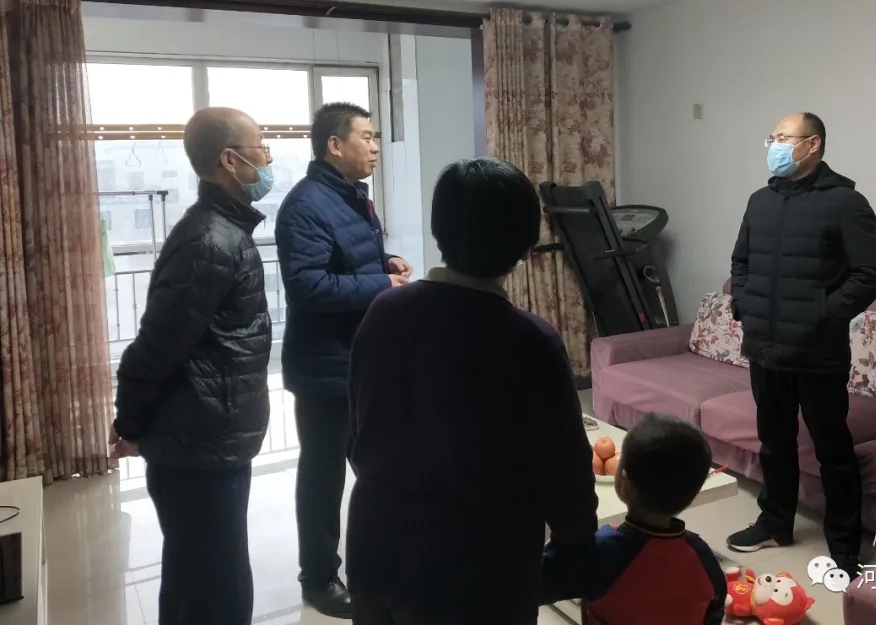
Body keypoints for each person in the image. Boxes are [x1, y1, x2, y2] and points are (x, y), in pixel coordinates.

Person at [346, 157, 598, 625]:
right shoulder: (530, 340)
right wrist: (578, 541)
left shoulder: (385, 311)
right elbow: (563, 465)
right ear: (525, 246)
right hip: (477, 568)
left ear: (438, 231)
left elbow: (358, 425)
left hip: (377, 545)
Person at [111, 107, 274, 625]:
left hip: (211, 435)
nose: (267, 158)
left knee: (201, 576)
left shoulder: (224, 230)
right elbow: (157, 346)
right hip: (199, 443)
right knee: (213, 588)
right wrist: (130, 423)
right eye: (260, 146)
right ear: (230, 160)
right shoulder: (209, 241)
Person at [725, 112, 876, 580]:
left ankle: (845, 549)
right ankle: (775, 522)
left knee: (832, 451)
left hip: (817, 353)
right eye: (772, 138)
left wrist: (824, 315)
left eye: (784, 137)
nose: (775, 145)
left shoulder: (845, 202)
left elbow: (871, 272)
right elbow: (741, 262)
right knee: (774, 443)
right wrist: (745, 306)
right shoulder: (760, 201)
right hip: (765, 348)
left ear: (812, 144)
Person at [275, 102, 412, 618]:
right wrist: (382, 283)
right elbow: (308, 287)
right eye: (367, 137)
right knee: (323, 477)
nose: (375, 148)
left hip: (358, 360)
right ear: (335, 145)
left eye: (376, 138)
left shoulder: (351, 197)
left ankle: (383, 560)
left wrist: (384, 261)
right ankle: (318, 579)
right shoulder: (306, 205)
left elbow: (347, 259)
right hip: (324, 368)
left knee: (377, 465)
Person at [541, 413, 726, 625]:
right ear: (693, 493)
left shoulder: (602, 551)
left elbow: (536, 585)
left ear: (623, 483)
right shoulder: (703, 555)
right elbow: (714, 610)